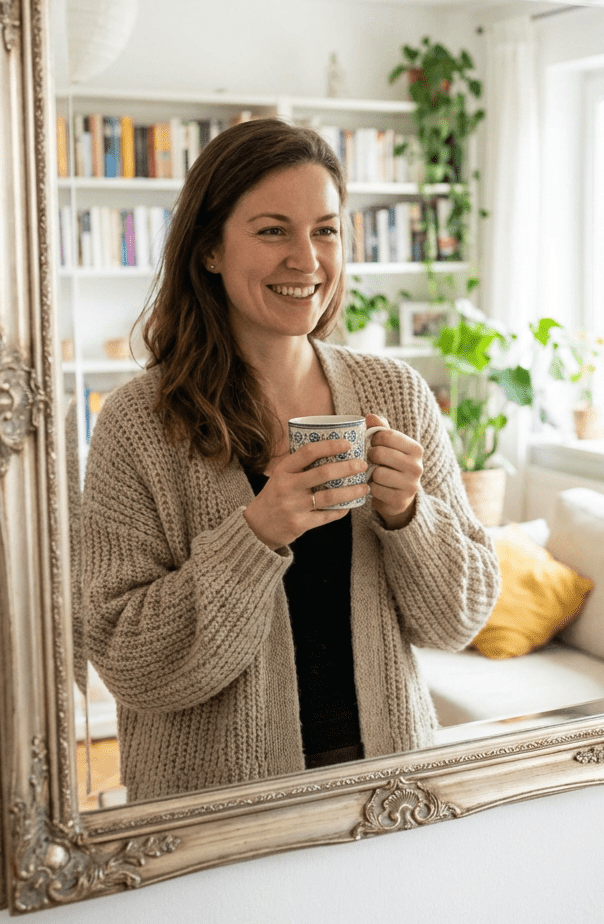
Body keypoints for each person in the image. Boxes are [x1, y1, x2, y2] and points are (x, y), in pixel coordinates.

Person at [81, 119, 500, 802]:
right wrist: (257, 533)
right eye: (273, 230)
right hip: (216, 817)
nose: (306, 260)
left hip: (387, 796)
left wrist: (408, 517)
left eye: (326, 230)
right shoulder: (138, 423)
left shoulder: (395, 392)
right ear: (210, 248)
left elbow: (458, 621)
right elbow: (131, 661)